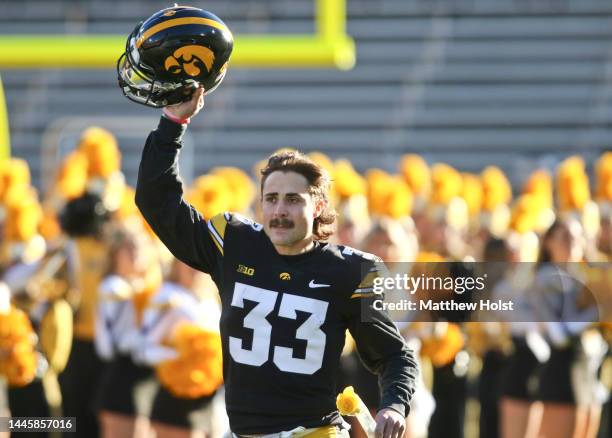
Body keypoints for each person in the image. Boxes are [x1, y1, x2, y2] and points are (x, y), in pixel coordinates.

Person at [134, 85, 417, 438]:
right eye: (271, 199)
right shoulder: (235, 244)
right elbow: (156, 200)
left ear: (317, 207)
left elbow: (393, 355)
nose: (279, 211)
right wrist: (174, 121)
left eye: (292, 200)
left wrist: (393, 404)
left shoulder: (347, 271)